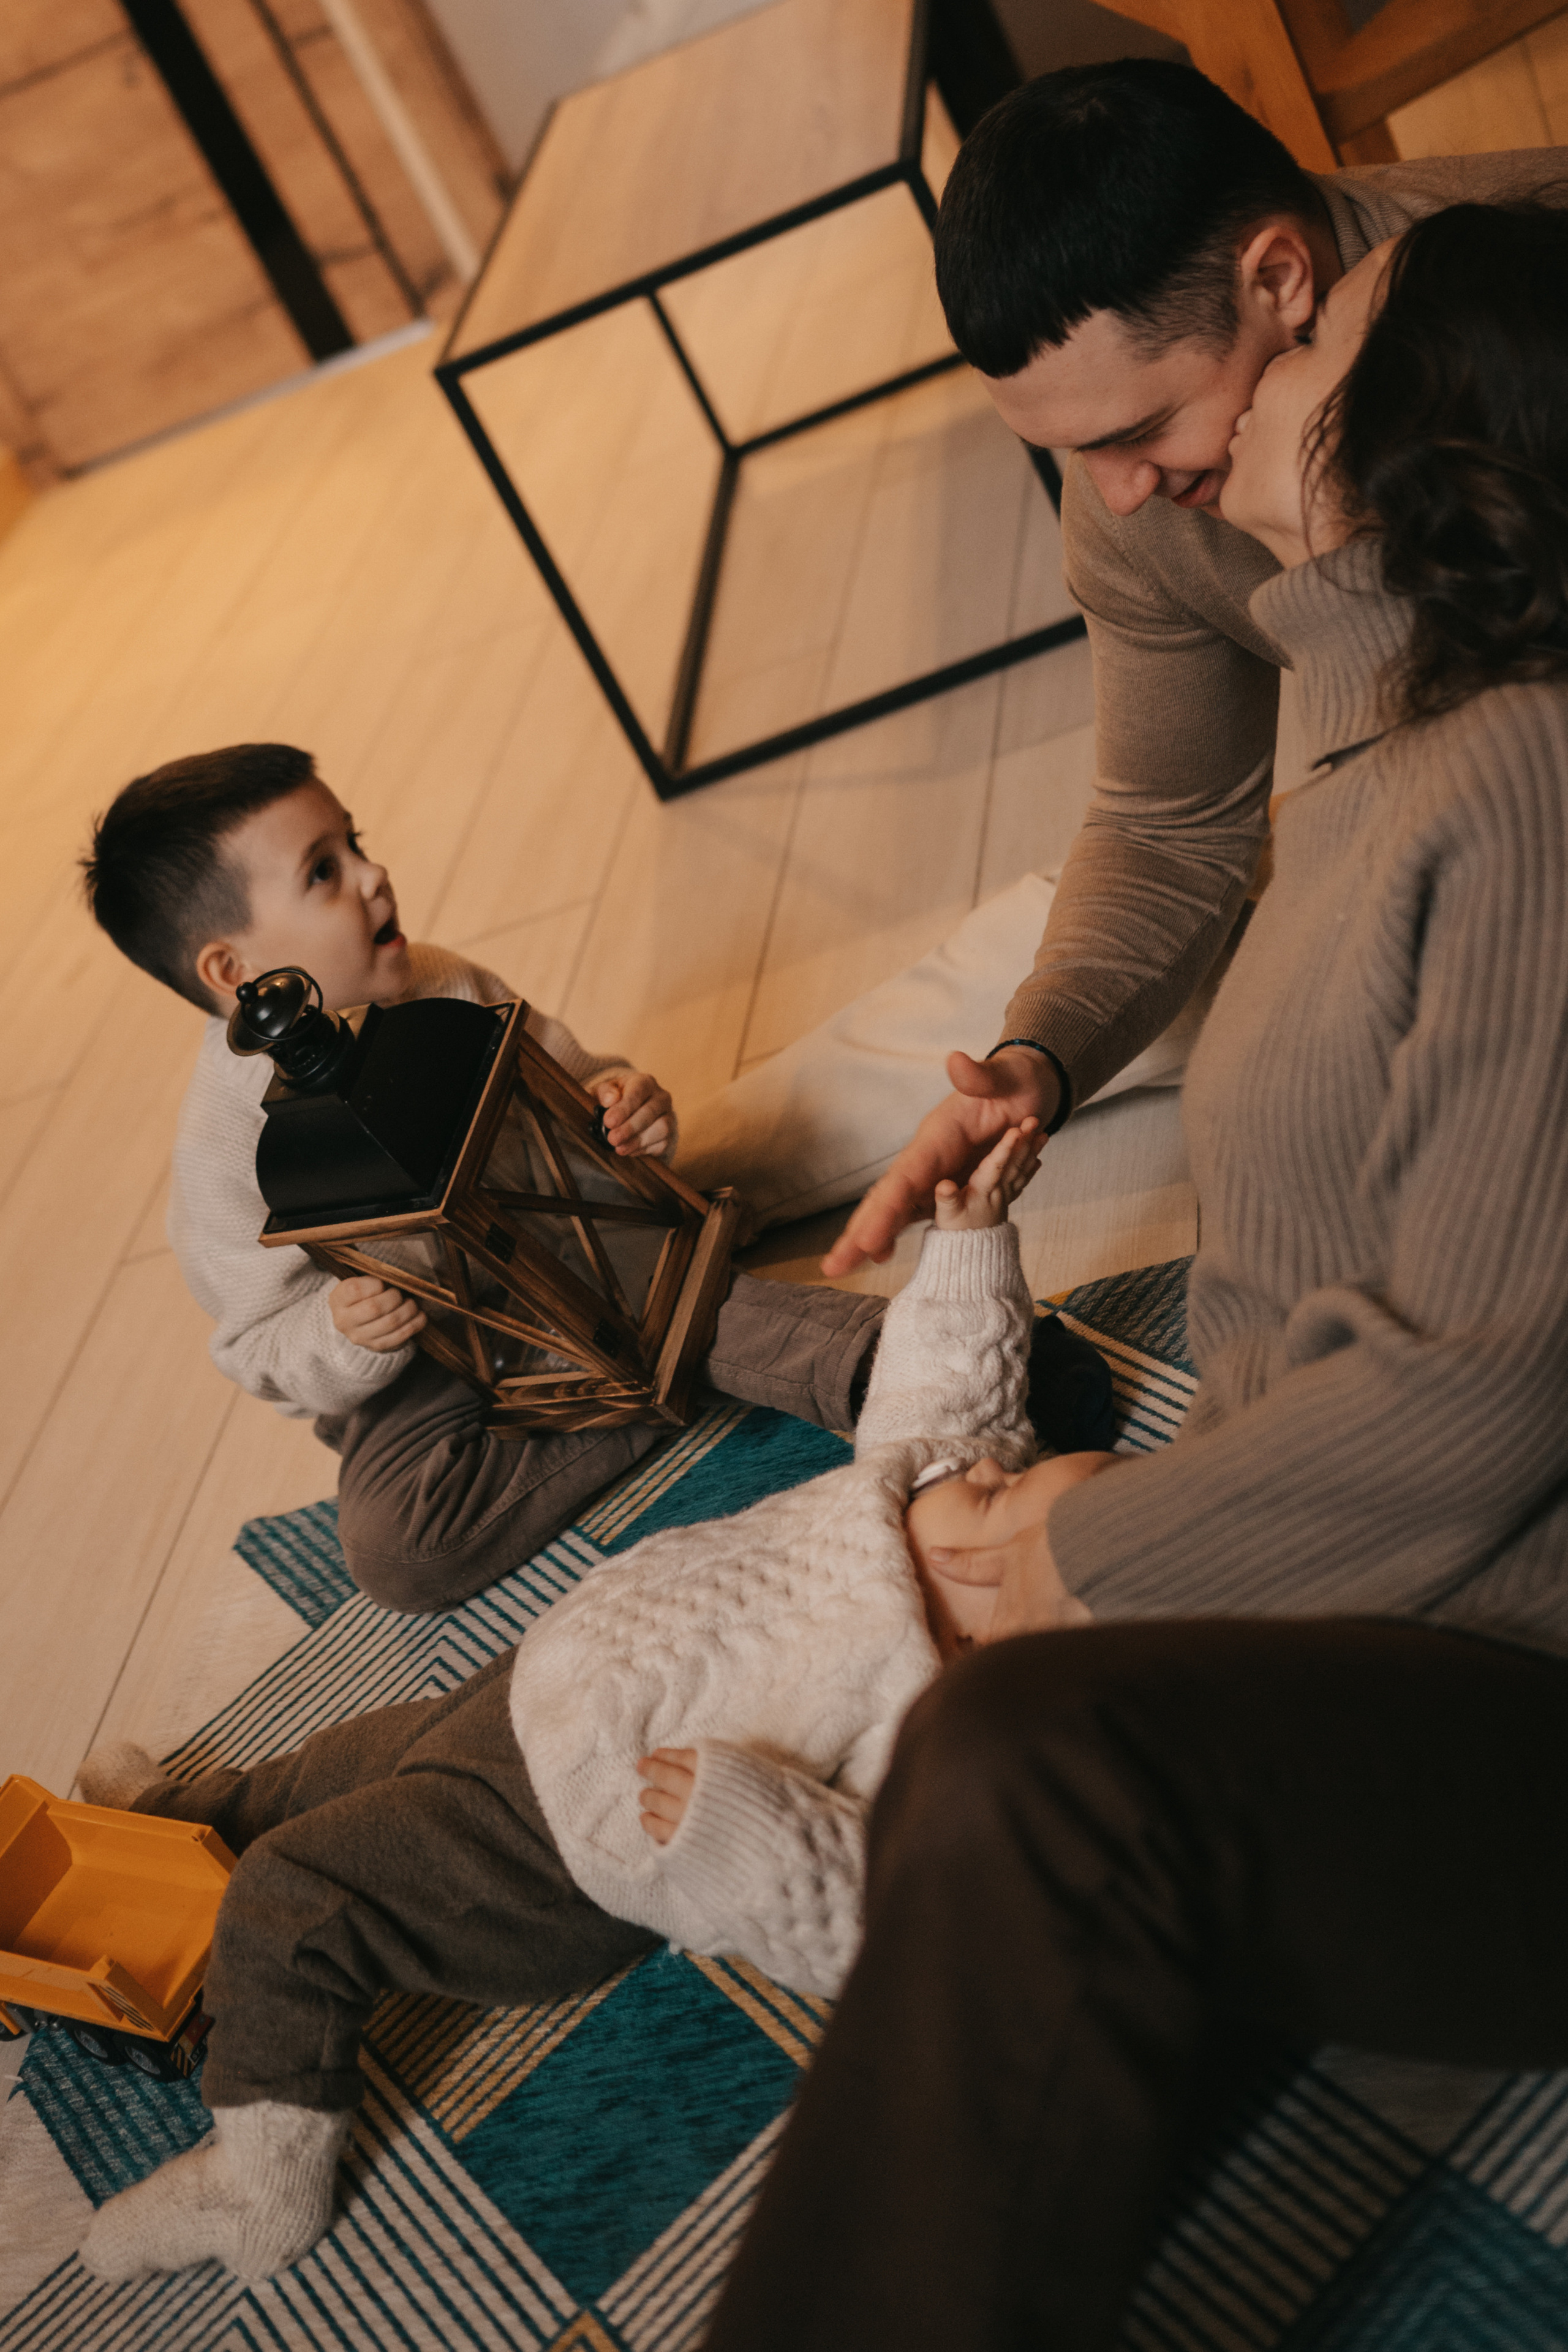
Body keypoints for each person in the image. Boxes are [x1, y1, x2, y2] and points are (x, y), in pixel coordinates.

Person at [704, 196, 1568, 2348]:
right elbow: (1165, 832)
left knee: (1035, 1762)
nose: (1221, 435)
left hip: (1509, 1653)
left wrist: (1126, 1538)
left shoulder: (1525, 771)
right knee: (1000, 1774)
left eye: (1307, 359)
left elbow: (1488, 1382)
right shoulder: (1376, 711)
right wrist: (1032, 1058)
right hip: (1391, 1605)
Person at [72, 1122, 1124, 2286]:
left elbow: (868, 1913)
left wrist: (740, 1824)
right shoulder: (936, 1477)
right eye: (1018, 1468)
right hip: (561, 1681)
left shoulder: (929, 1725)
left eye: (1003, 1504)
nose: (990, 1468)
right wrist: (973, 1243)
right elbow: (954, 1389)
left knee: (297, 1895)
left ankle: (261, 2173)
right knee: (342, 1764)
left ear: (985, 1612)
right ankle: (186, 1816)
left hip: (568, 1843)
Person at [823, 61, 1566, 1280]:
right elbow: (1166, 828)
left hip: (1498, 872)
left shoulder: (1526, 311)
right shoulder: (1130, 492)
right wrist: (1037, 1063)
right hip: (1381, 842)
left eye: (1131, 432)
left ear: (1280, 281)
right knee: (995, 993)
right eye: (1069, 454)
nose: (1115, 496)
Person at [81, 746, 887, 1611]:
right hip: (418, 1365)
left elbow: (582, 1088)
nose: (375, 874)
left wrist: (627, 1108)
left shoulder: (446, 984)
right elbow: (258, 1341)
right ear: (233, 973)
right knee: (400, 1555)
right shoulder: (222, 1145)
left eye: (356, 843)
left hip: (564, 1265)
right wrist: (342, 1330)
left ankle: (883, 1362)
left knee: (677, 1309)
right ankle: (650, 1379)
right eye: (325, 872)